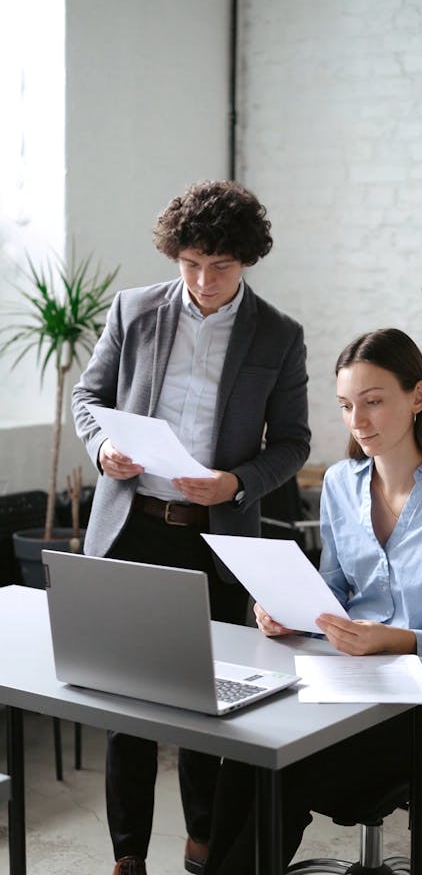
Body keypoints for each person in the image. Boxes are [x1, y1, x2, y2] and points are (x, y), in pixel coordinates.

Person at [71, 179, 311, 875]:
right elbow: (89, 395)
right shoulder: (133, 309)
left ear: (248, 261)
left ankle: (203, 842)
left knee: (206, 700)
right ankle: (126, 855)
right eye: (191, 263)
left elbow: (293, 442)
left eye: (222, 266)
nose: (204, 281)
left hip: (217, 539)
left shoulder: (279, 335)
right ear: (176, 254)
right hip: (132, 527)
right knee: (126, 701)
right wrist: (100, 448)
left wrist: (236, 482)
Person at [203, 327, 422, 875]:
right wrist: (290, 612)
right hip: (347, 682)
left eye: (373, 402)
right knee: (246, 752)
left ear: (417, 397)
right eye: (346, 406)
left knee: (286, 768)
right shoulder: (341, 483)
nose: (358, 421)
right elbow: (335, 588)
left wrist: (397, 638)